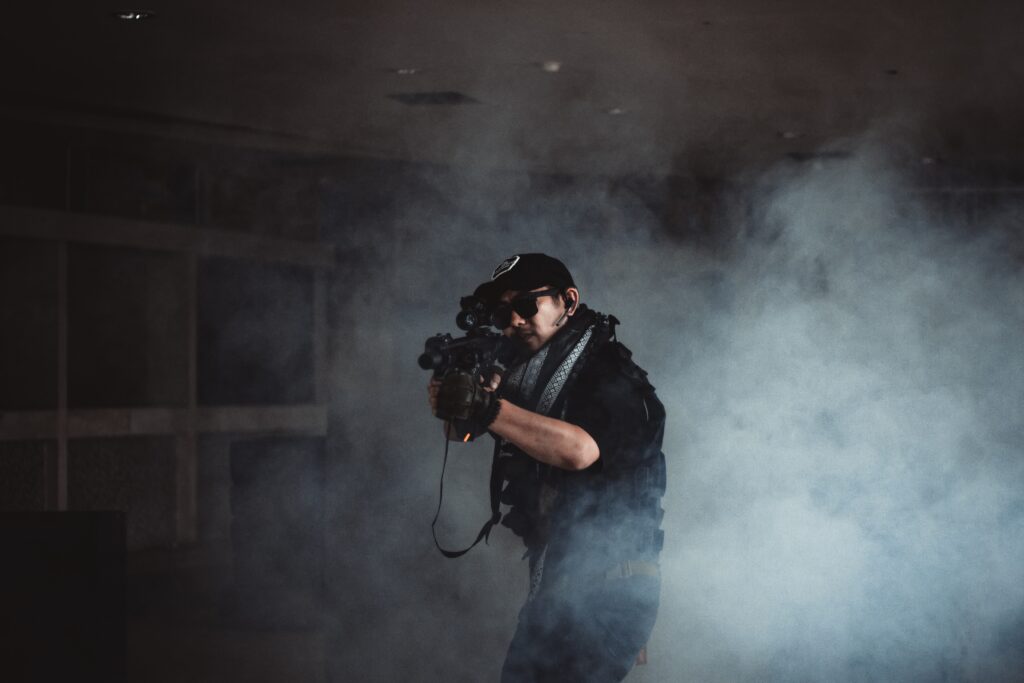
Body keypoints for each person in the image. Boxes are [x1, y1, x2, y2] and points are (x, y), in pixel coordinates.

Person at [428, 253, 667, 683]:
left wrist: (486, 407)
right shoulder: (526, 374)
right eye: (504, 311)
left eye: (526, 305)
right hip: (559, 589)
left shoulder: (609, 373)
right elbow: (461, 434)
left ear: (568, 301)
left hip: (607, 590)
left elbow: (579, 450)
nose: (514, 320)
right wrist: (456, 402)